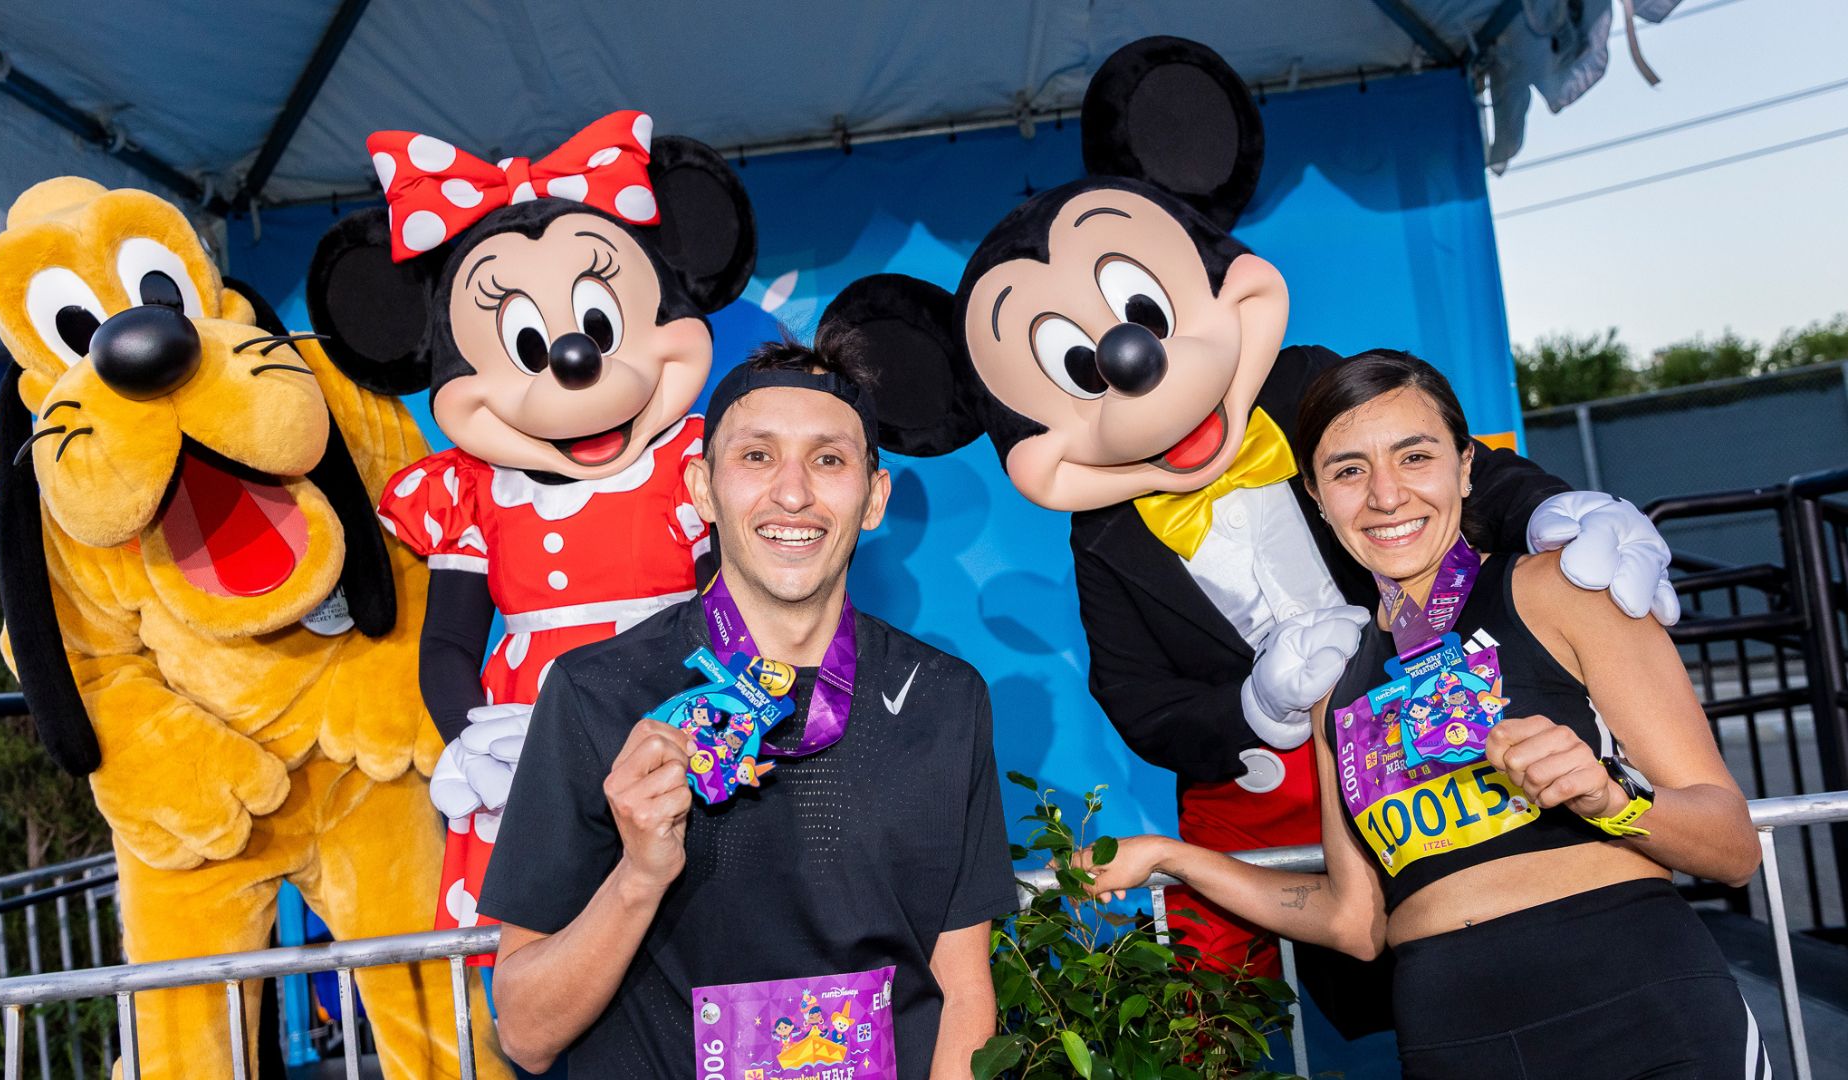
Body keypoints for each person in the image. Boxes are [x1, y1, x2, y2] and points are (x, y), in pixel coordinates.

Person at [1078, 351, 1765, 1078]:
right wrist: (1171, 859)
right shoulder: (1334, 682)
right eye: (1348, 471)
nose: (1385, 495)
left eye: (1414, 456)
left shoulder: (1563, 590)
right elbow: (1352, 920)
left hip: (1640, 1002)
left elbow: (1731, 847)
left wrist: (1610, 795)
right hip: (1453, 1036)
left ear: (1467, 468)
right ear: (1314, 494)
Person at [478, 333, 1015, 1077]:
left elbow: (963, 993)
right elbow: (527, 1035)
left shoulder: (946, 700)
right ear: (701, 489)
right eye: (756, 456)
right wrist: (638, 876)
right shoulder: (597, 694)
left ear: (874, 498)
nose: (792, 493)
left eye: (829, 459)